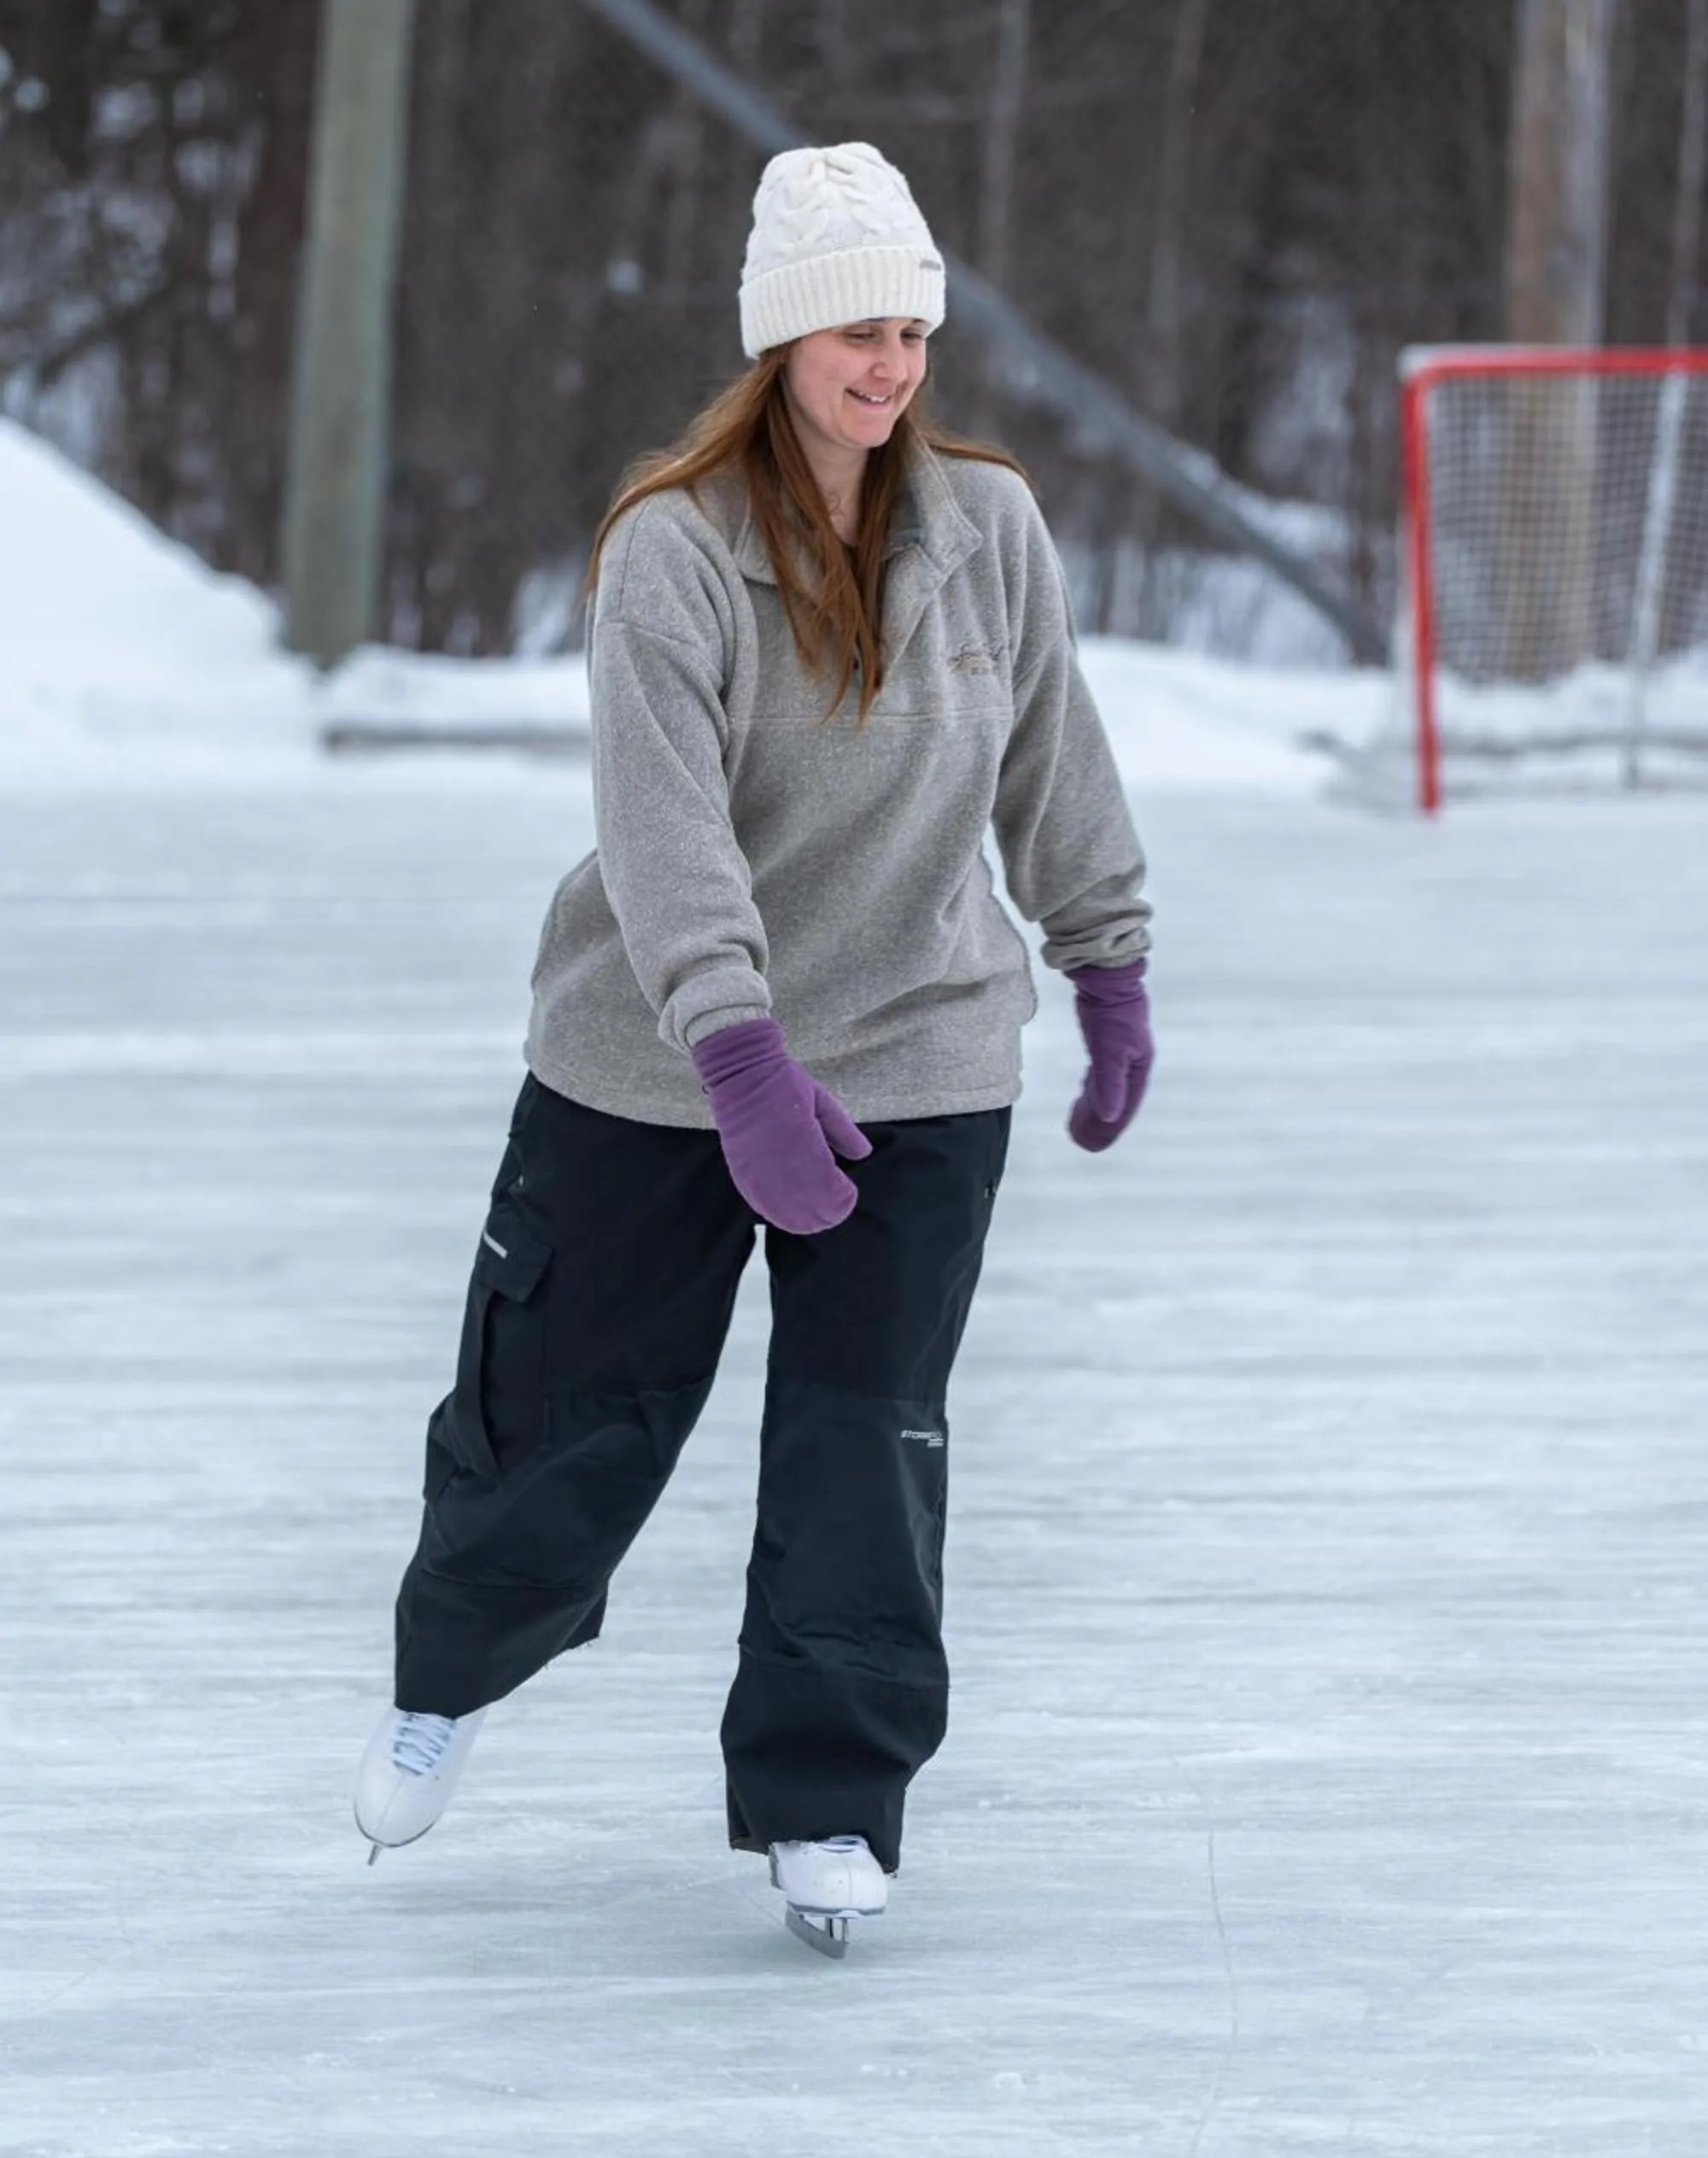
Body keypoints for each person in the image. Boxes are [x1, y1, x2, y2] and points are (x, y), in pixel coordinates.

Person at [354, 140, 1154, 1951]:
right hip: (654, 1062)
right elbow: (663, 830)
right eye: (853, 331)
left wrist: (1104, 966)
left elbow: (1050, 762)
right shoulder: (673, 551)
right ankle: (453, 1672)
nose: (887, 365)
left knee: (864, 1441)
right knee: (562, 1416)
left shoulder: (990, 529)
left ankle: (829, 1796)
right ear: (779, 343)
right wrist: (736, 1066)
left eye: (911, 330)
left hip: (919, 1053)